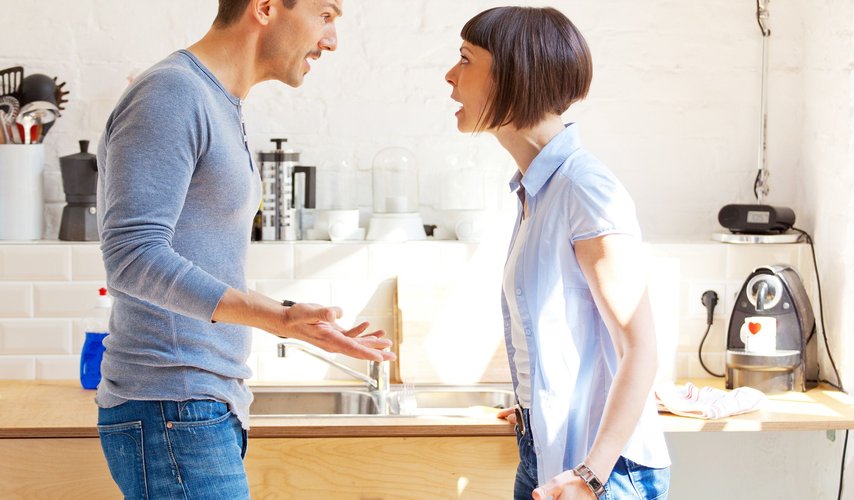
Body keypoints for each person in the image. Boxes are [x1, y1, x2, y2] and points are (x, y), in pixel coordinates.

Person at [95, 1, 394, 498]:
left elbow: (198, 254)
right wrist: (277, 317)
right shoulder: (172, 93)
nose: (332, 40)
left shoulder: (216, 100)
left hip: (193, 406)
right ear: (267, 7)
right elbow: (132, 256)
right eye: (325, 15)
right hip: (173, 403)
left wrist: (289, 320)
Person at [445, 7, 671, 500]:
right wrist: (533, 406)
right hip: (548, 454)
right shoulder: (538, 191)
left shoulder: (585, 190)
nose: (450, 75)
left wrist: (591, 475)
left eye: (465, 59)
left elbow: (641, 349)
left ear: (513, 75)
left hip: (601, 473)